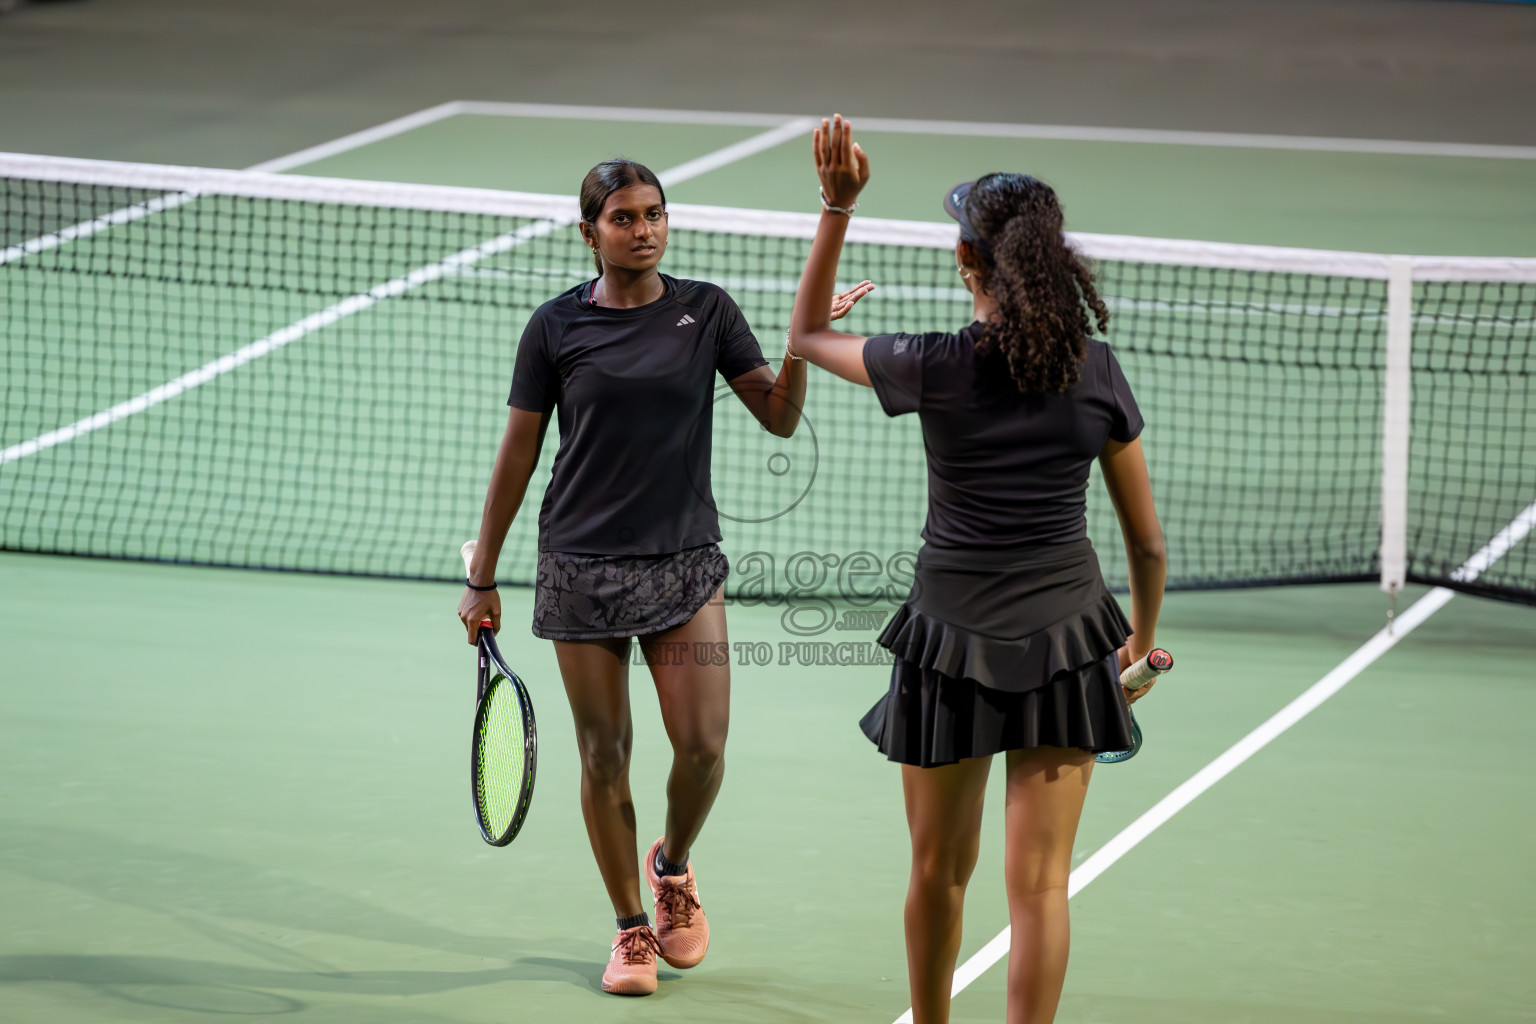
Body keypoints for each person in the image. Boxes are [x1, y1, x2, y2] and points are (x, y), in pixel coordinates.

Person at [457, 158, 870, 997]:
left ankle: (672, 866)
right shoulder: (554, 329)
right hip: (580, 565)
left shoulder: (707, 310)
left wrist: (799, 343)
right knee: (604, 754)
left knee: (704, 748)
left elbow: (779, 419)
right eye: (622, 218)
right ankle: (630, 929)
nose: (642, 229)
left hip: (684, 561)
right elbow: (520, 453)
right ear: (590, 233)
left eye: (653, 214)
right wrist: (486, 575)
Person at [788, 117, 1167, 1024]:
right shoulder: (1097, 373)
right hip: (1071, 643)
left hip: (948, 644)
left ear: (968, 260)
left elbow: (802, 336)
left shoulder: (933, 364)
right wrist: (1141, 650)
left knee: (934, 872)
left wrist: (838, 205)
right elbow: (1146, 545)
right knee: (1039, 890)